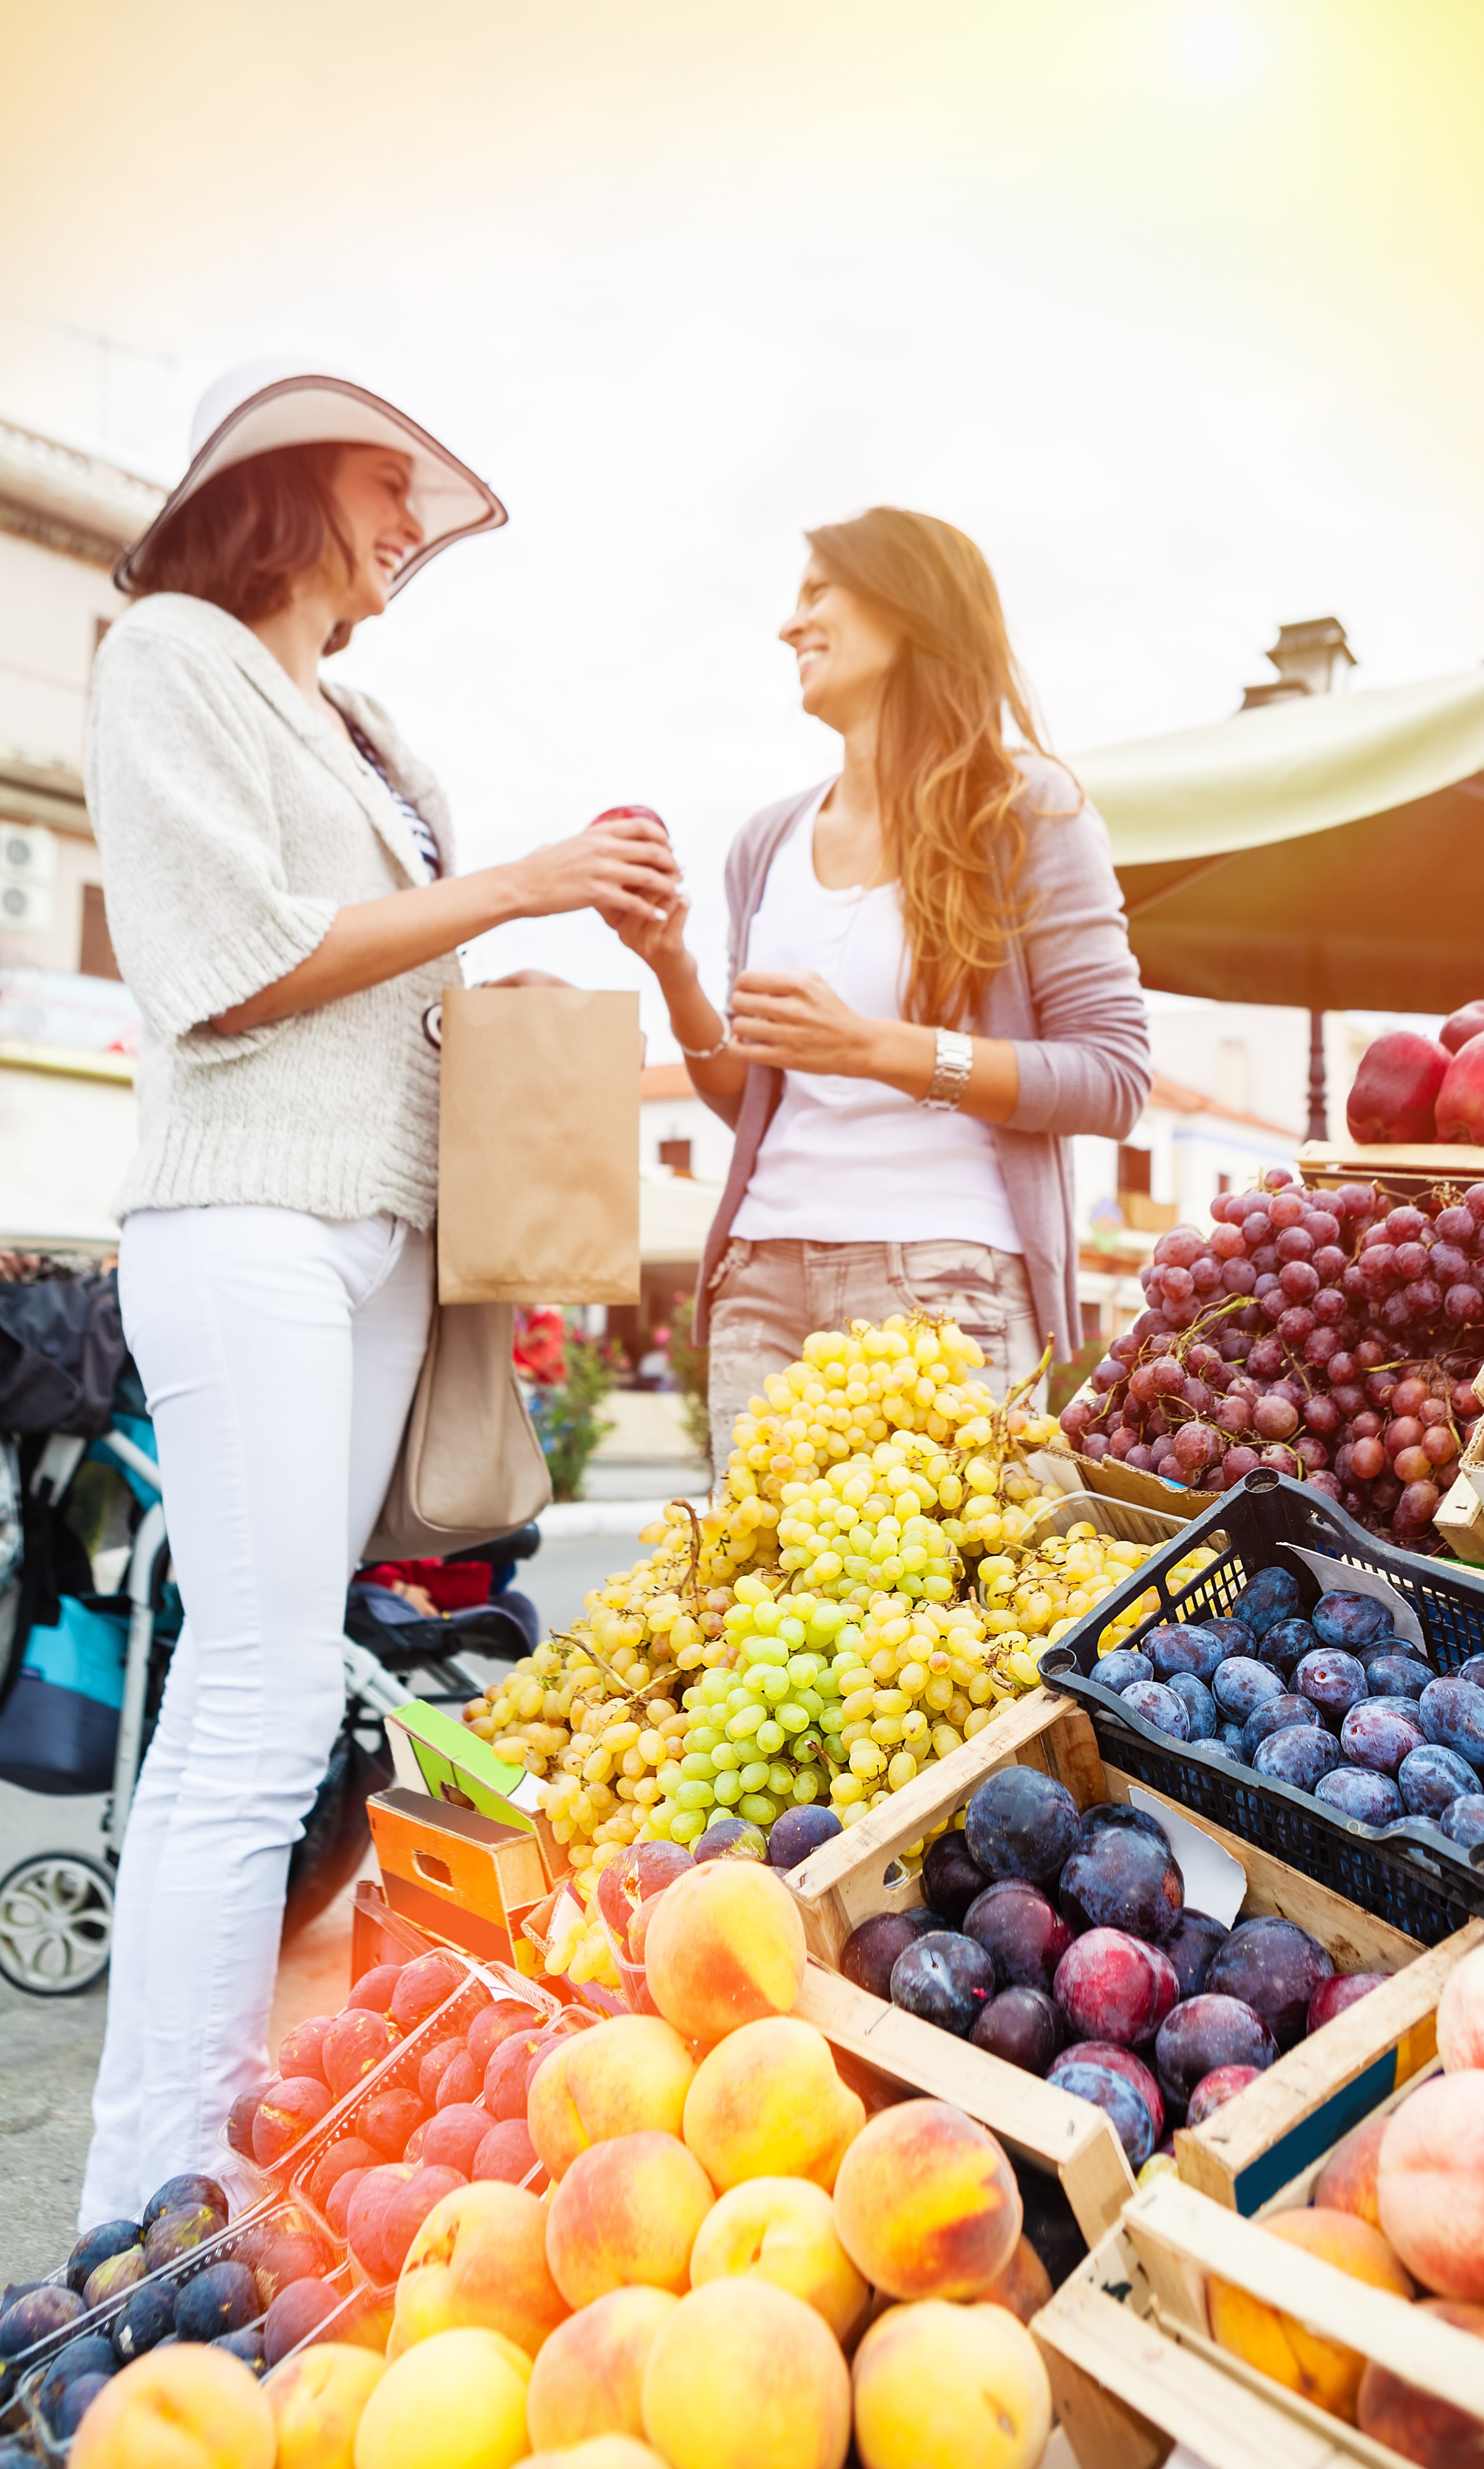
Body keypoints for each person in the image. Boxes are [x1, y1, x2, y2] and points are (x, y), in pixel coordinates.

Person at [78, 364, 680, 2223]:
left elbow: (382, 987)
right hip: (249, 1216)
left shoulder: (368, 725)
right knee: (254, 1713)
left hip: (368, 1242)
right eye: (391, 490)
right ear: (290, 484)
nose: (418, 529)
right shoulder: (169, 652)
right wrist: (519, 886)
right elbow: (232, 965)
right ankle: (155, 2193)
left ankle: (194, 2174)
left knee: (261, 1704)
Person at [618, 506, 1150, 1468]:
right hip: (763, 1278)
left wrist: (875, 1048)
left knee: (936, 1607)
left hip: (949, 1279)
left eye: (818, 592)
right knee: (758, 1606)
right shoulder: (765, 842)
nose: (790, 627)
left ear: (908, 607)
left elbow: (1112, 1077)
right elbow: (752, 1097)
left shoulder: (1027, 812)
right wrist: (675, 970)